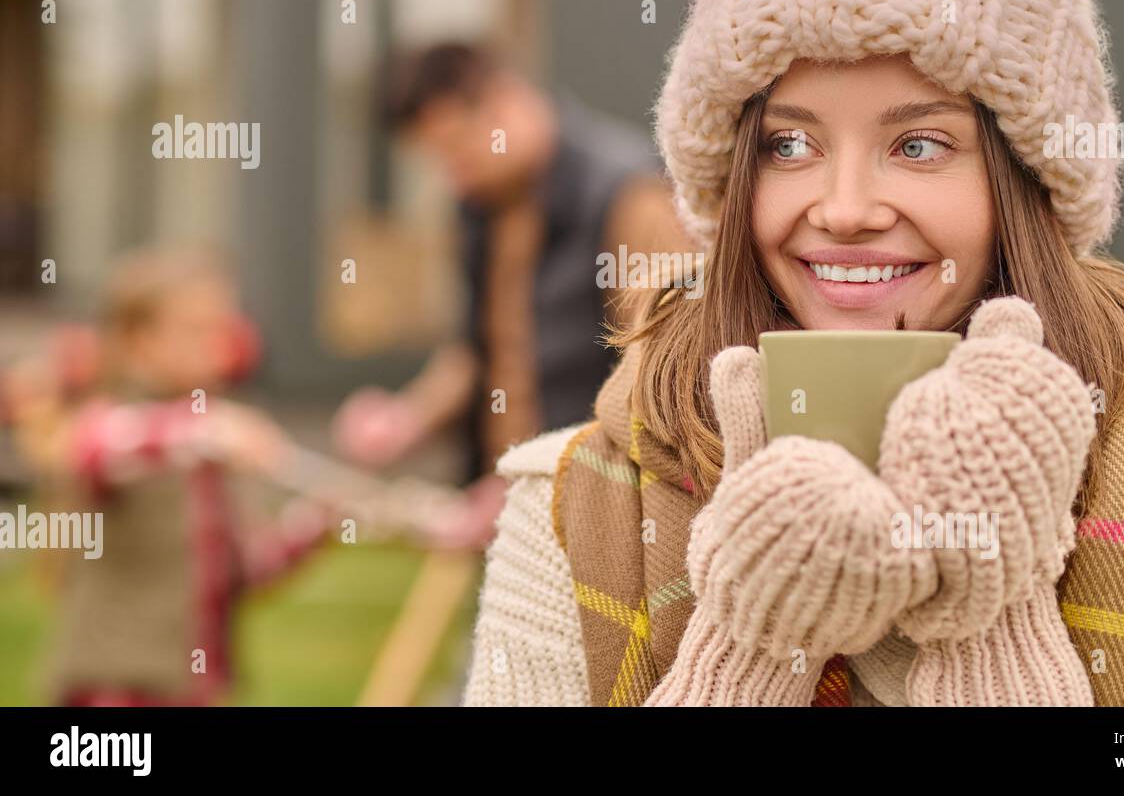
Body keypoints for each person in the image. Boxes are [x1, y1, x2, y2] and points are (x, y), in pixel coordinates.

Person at [461, 0, 1124, 706]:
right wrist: (755, 639)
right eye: (789, 145)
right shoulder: (573, 515)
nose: (845, 207)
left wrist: (990, 614)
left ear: (1028, 184)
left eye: (918, 145)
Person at [332, 42, 694, 549]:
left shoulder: (631, 200)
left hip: (611, 533)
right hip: (515, 512)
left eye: (457, 148)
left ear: (506, 103)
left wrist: (542, 482)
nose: (451, 175)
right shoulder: (484, 207)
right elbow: (480, 351)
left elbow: (659, 385)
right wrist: (406, 420)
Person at [44, 248, 329, 706]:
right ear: (140, 341)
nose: (216, 347)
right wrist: (207, 428)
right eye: (196, 330)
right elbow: (93, 450)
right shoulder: (122, 420)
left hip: (193, 689)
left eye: (222, 330)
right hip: (118, 689)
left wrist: (317, 520)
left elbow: (239, 571)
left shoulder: (208, 447)